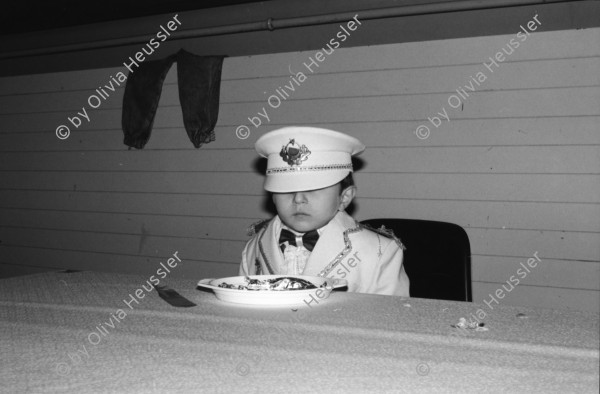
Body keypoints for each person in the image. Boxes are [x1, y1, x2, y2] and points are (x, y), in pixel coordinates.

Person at [239, 126, 409, 296]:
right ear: (272, 196)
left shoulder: (379, 251)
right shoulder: (255, 246)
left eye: (314, 189)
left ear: (344, 197)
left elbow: (391, 316)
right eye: (285, 190)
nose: (298, 199)